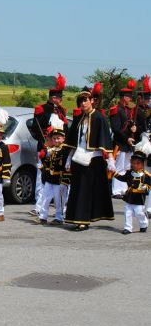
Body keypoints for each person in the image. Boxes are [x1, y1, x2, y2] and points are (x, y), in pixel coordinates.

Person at [63, 88, 114, 230]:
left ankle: (83, 220)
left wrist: (110, 159)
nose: (83, 103)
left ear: (92, 101)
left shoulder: (99, 117)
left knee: (86, 190)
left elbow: (105, 139)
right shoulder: (79, 118)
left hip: (93, 159)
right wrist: (69, 158)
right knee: (77, 189)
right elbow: (74, 141)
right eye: (80, 101)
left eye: (85, 100)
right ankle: (76, 218)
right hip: (78, 158)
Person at [30, 74, 67, 215]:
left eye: (60, 98)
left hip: (58, 148)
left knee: (56, 177)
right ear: (52, 97)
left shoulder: (62, 111)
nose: (59, 100)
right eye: (57, 97)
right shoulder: (42, 109)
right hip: (45, 146)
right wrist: (43, 141)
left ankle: (56, 206)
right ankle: (38, 206)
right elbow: (35, 128)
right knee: (41, 177)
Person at [109, 80, 143, 198]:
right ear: (124, 97)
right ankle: (116, 191)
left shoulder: (128, 110)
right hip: (120, 143)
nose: (130, 99)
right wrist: (127, 138)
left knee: (127, 167)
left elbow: (129, 124)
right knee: (119, 167)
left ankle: (123, 189)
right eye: (129, 96)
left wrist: (134, 128)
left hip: (128, 143)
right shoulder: (115, 109)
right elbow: (116, 129)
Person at [37, 117, 66, 224]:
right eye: (54, 138)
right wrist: (44, 158)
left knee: (59, 200)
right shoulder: (50, 150)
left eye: (58, 138)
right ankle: (43, 216)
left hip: (59, 178)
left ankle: (59, 217)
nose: (56, 140)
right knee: (46, 197)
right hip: (49, 177)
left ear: (63, 139)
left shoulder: (64, 150)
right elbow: (47, 163)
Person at [114, 148, 150, 235]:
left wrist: (145, 187)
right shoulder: (129, 173)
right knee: (128, 212)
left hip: (139, 198)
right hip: (130, 196)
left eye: (138, 163)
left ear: (143, 164)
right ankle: (128, 228)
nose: (135, 165)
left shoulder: (146, 175)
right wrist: (114, 174)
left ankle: (144, 224)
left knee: (139, 213)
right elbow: (123, 178)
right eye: (133, 163)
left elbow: (149, 185)